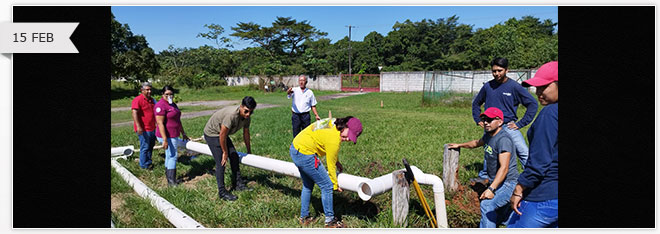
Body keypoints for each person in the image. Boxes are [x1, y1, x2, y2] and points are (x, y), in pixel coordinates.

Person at [507, 61, 558, 228]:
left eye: (543, 87)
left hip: (544, 195)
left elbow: (540, 161)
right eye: (537, 88)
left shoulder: (550, 113)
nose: (538, 93)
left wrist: (519, 189)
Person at [449, 107, 519, 228]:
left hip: (508, 183)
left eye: (490, 119)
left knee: (487, 205)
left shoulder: (503, 140)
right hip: (498, 181)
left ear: (500, 122)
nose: (486, 122)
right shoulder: (488, 136)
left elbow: (504, 168)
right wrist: (459, 145)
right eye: (484, 119)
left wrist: (491, 189)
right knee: (502, 216)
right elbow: (476, 143)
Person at [472, 57, 538, 182]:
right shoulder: (487, 87)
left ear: (507, 70)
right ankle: (485, 178)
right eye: (494, 71)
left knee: (523, 152)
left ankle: (531, 178)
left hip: (508, 126)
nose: (496, 74)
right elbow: (476, 103)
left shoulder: (514, 87)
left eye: (500, 70)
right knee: (490, 153)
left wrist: (520, 124)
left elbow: (532, 104)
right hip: (491, 127)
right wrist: (477, 119)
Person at [290, 116, 363, 228]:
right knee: (327, 186)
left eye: (351, 138)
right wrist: (335, 184)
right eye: (349, 135)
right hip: (305, 154)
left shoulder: (334, 122)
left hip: (295, 148)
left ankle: (304, 217)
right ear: (345, 126)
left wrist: (337, 161)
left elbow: (330, 153)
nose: (348, 139)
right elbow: (330, 165)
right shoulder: (334, 139)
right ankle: (330, 221)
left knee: (308, 184)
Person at [203, 96, 257, 201]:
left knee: (234, 157)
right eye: (246, 111)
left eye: (251, 112)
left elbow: (246, 133)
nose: (248, 115)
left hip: (222, 134)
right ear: (241, 107)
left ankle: (238, 184)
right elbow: (222, 135)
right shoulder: (231, 115)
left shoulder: (247, 117)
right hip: (213, 133)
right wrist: (224, 152)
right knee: (221, 162)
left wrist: (249, 150)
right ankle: (222, 192)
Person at [155, 85, 189, 187]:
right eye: (167, 94)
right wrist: (165, 139)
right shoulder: (160, 106)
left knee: (169, 155)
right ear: (162, 94)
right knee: (173, 156)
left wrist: (183, 133)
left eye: (171, 94)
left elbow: (177, 120)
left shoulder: (173, 104)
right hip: (167, 135)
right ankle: (172, 182)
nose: (169, 96)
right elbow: (160, 123)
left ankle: (169, 178)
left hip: (174, 134)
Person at [131, 82, 157, 170]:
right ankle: (143, 166)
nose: (149, 91)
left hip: (152, 128)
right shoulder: (137, 100)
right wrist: (138, 126)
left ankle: (148, 162)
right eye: (147, 90)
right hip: (143, 129)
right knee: (145, 147)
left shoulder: (152, 100)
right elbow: (134, 113)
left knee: (151, 145)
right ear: (142, 90)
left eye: (150, 89)